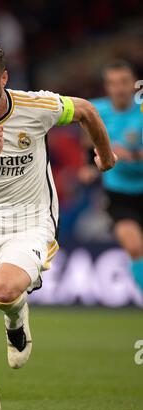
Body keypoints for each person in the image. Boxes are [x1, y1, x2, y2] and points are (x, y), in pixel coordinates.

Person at [0, 41, 116, 410]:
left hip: (32, 218)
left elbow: (86, 109)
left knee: (4, 290)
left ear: (4, 78)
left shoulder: (37, 106)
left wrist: (105, 156)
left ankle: (16, 317)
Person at [79, 60, 143, 292]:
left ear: (134, 85)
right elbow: (87, 141)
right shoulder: (96, 110)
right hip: (119, 194)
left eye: (124, 82)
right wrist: (88, 165)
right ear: (107, 87)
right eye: (113, 83)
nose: (119, 88)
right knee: (135, 248)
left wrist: (132, 155)